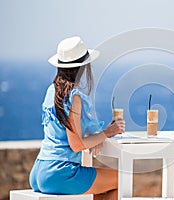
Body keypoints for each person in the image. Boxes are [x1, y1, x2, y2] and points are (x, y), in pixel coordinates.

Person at [29, 36, 125, 200]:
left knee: (102, 189)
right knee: (123, 180)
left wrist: (97, 137)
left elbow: (68, 132)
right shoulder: (74, 97)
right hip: (60, 173)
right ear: (83, 67)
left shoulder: (51, 91)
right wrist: (108, 133)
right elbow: (77, 145)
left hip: (39, 171)